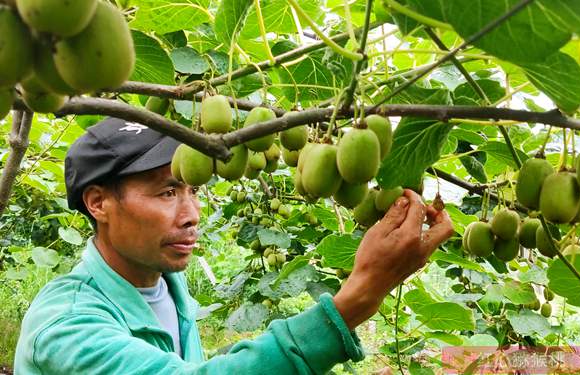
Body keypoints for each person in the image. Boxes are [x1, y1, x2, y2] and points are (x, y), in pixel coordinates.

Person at [14, 117, 453, 374]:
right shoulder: (67, 325)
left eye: (192, 190)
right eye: (167, 193)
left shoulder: (167, 288)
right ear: (99, 203)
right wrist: (360, 295)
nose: (191, 214)